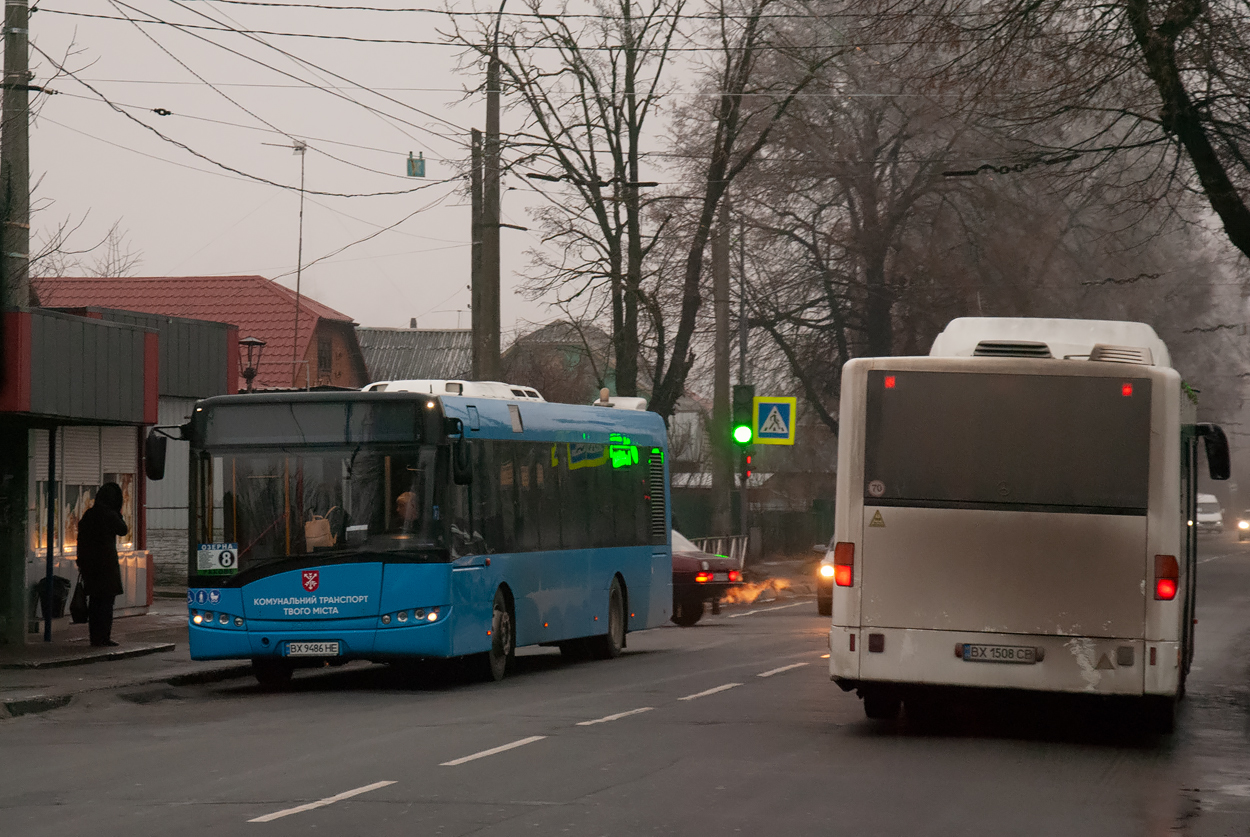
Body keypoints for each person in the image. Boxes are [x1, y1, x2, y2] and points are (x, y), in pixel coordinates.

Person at [76, 482, 128, 647]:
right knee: (106, 604)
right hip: (106, 566)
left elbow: (81, 540)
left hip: (90, 566)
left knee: (94, 602)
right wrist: (118, 513)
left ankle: (95, 637)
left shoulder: (89, 515)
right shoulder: (110, 515)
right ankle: (103, 636)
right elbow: (123, 530)